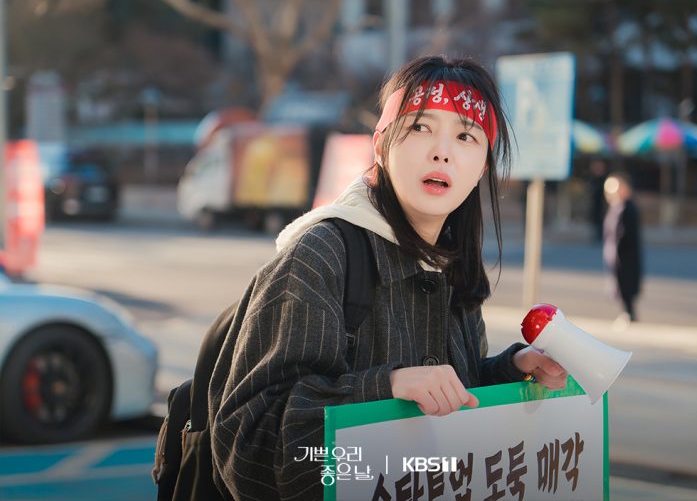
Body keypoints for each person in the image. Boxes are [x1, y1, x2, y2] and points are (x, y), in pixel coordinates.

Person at [207, 56, 568, 500]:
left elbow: (449, 408)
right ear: (381, 144)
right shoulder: (321, 256)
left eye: (466, 136)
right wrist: (389, 386)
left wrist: (510, 373)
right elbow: (250, 449)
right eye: (420, 127)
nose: (442, 151)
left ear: (482, 169)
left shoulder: (449, 268)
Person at [603, 172, 643, 326]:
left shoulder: (627, 207)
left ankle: (629, 313)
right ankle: (627, 312)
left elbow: (626, 233)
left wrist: (618, 247)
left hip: (625, 255)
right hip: (616, 253)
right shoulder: (616, 206)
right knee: (619, 284)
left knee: (626, 284)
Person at [587, 158, 608, 243]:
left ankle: (601, 236)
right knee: (596, 221)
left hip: (603, 204)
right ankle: (597, 236)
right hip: (596, 204)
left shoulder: (604, 178)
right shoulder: (593, 178)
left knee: (603, 220)